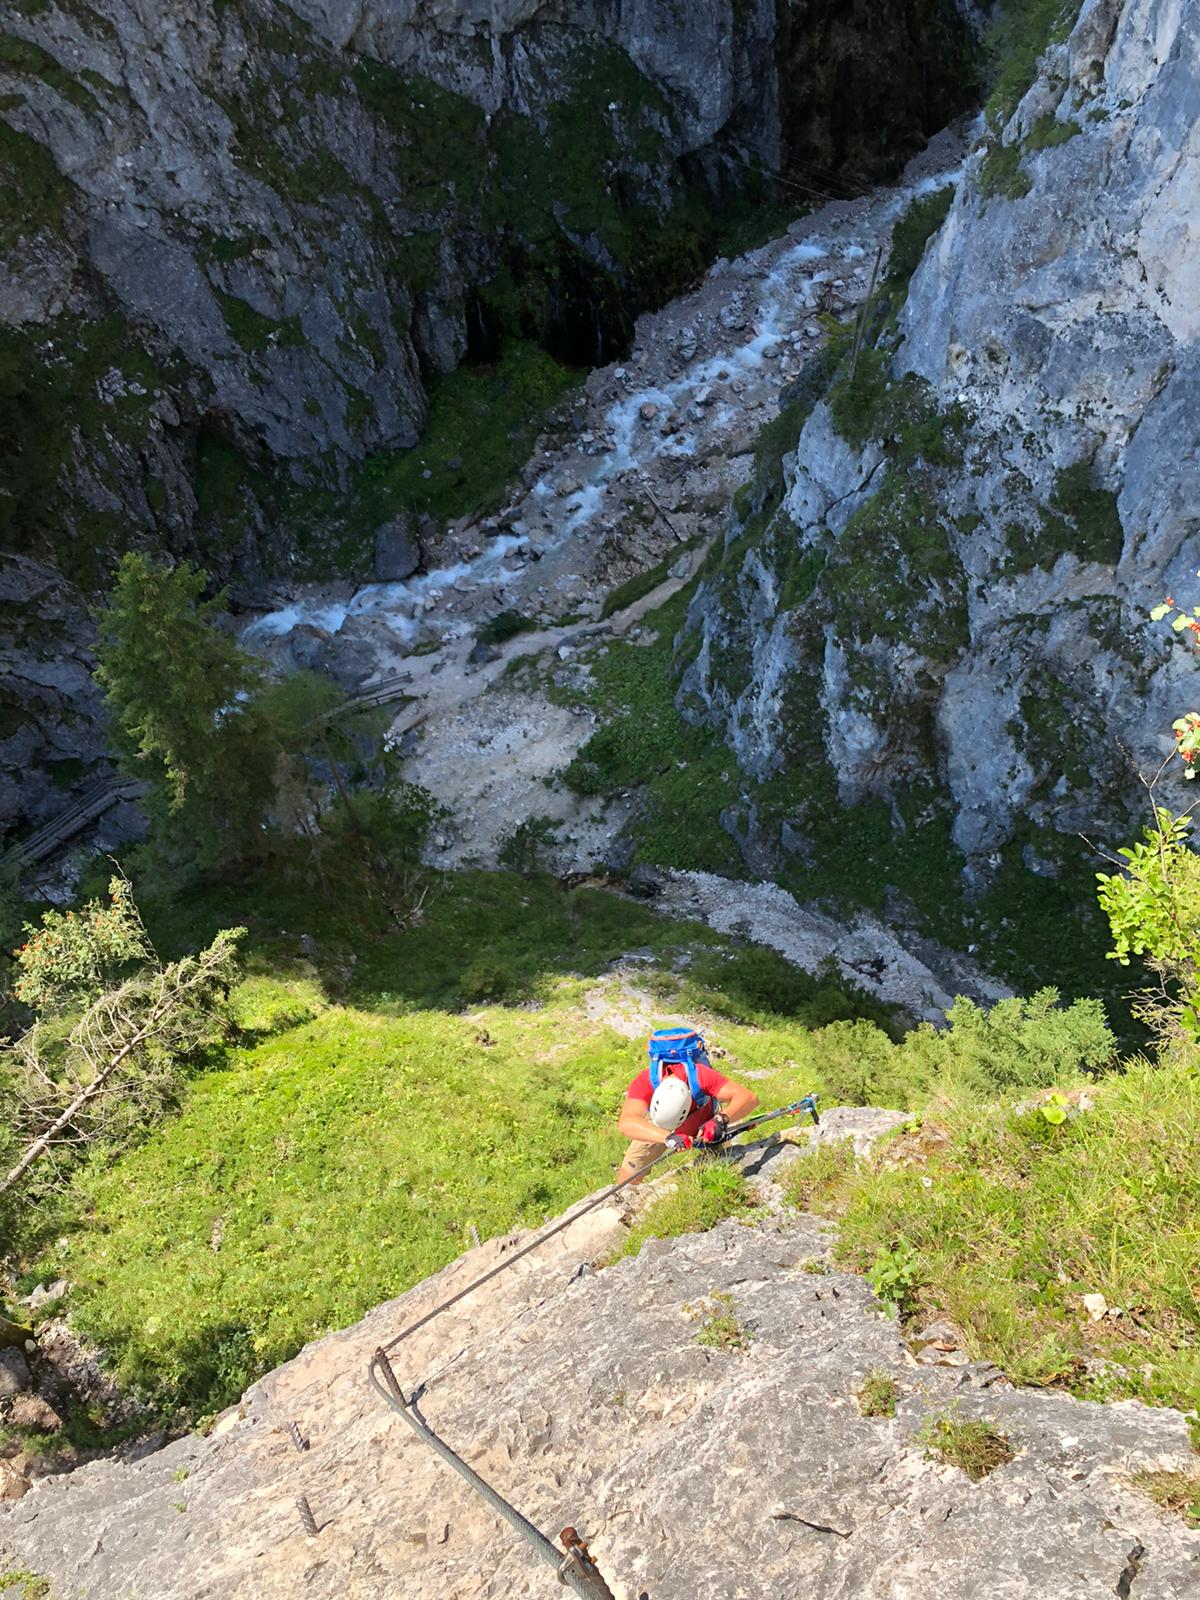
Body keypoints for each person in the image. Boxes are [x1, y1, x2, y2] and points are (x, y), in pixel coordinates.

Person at [616, 1025, 758, 1184]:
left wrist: (720, 1120)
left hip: (704, 1118)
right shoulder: (646, 1080)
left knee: (722, 1169)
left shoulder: (700, 1075)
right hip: (659, 1127)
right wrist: (668, 1137)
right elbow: (626, 1122)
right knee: (627, 1181)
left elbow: (748, 1098)